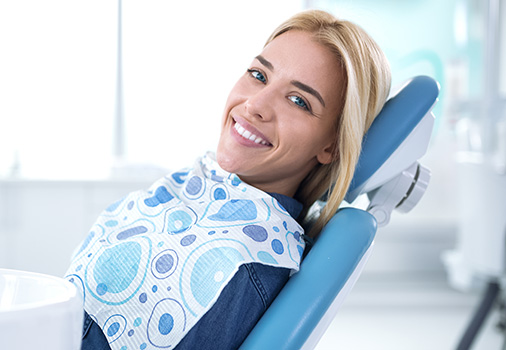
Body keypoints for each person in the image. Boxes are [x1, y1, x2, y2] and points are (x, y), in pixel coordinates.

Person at [65, 9, 391, 350]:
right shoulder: (195, 187)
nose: (254, 105)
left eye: (298, 101)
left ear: (332, 145)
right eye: (259, 75)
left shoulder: (240, 265)